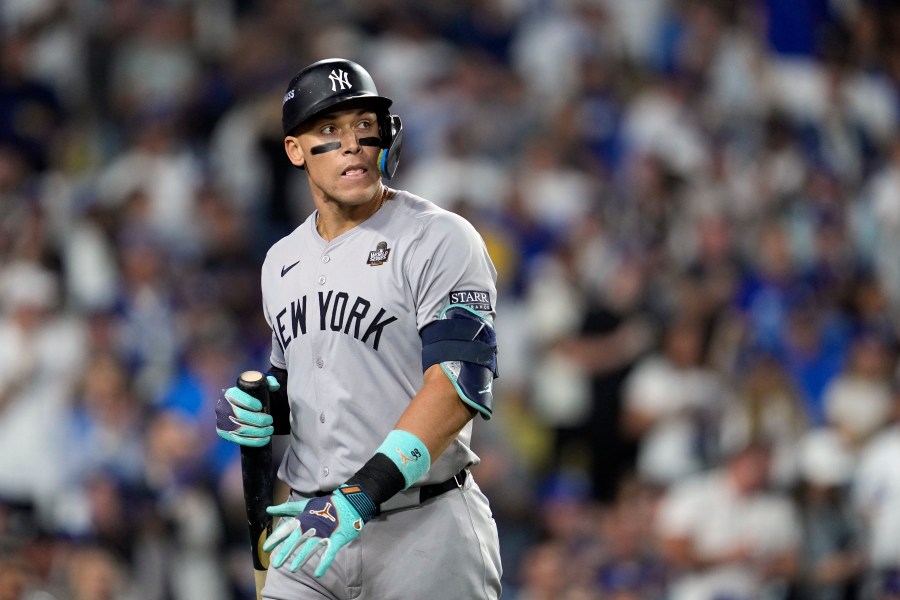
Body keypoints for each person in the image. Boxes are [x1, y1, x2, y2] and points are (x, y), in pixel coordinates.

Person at [215, 57, 502, 599]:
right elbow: (307, 382)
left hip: (423, 528)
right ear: (295, 151)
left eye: (364, 127)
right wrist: (264, 408)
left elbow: (459, 386)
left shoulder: (440, 238)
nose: (352, 143)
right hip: (309, 527)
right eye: (329, 129)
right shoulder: (280, 260)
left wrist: (361, 494)